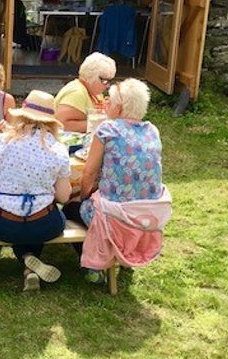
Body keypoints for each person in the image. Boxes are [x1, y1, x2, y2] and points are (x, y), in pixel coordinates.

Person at [63, 79, 171, 283]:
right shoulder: (152, 131)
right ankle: (123, 256)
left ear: (119, 107)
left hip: (114, 217)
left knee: (69, 208)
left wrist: (82, 196)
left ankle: (95, 265)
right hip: (146, 215)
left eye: (110, 102)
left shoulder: (108, 129)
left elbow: (89, 173)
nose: (106, 105)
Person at [0, 90, 71, 292]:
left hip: (3, 224)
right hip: (43, 223)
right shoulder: (59, 150)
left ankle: (28, 261)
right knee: (42, 219)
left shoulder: (6, 141)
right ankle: (29, 261)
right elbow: (63, 196)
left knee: (15, 222)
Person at [54, 51, 117, 132]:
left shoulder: (94, 92)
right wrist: (99, 124)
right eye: (105, 81)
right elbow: (60, 124)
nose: (108, 85)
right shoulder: (76, 92)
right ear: (92, 76)